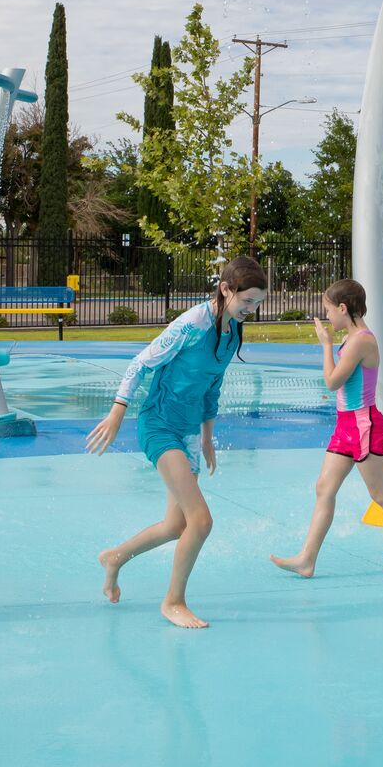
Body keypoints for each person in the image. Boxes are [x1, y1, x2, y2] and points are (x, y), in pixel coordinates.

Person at [87, 256, 266, 629]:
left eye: (256, 303)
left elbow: (211, 387)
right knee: (200, 521)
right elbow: (140, 364)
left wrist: (206, 437)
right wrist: (118, 412)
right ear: (225, 289)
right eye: (246, 300)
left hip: (186, 433)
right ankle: (173, 602)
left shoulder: (231, 332)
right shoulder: (193, 324)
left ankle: (115, 557)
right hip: (159, 427)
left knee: (175, 525)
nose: (251, 309)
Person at [269, 279, 383, 582]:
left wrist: (326, 346)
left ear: (343, 308)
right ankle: (307, 559)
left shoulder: (361, 341)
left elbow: (332, 382)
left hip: (363, 424)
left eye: (329, 310)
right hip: (347, 424)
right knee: (324, 488)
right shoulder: (354, 338)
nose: (327, 317)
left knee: (382, 494)